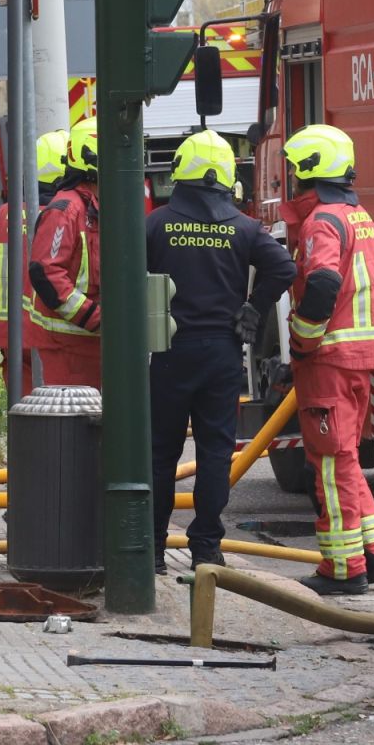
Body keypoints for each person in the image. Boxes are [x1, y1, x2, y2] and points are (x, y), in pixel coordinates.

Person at [146, 130, 295, 573]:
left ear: (181, 174)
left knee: (160, 453)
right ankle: (206, 549)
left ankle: (152, 550)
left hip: (169, 352)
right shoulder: (245, 229)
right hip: (223, 357)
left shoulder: (155, 224)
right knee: (214, 453)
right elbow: (284, 268)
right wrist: (254, 307)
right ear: (228, 178)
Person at [281, 124, 374, 595]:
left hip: (328, 359)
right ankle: (372, 556)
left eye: (293, 170)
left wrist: (302, 338)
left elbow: (323, 283)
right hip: (361, 357)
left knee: (329, 463)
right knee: (345, 459)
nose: (290, 179)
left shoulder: (321, 221)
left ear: (309, 171)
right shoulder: (356, 214)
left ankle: (344, 570)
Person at [25, 117, 103, 388]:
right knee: (74, 428)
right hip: (68, 348)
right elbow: (45, 272)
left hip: (93, 344)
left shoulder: (96, 207)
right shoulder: (66, 210)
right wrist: (95, 318)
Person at [0, 130, 68, 359]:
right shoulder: (72, 217)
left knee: (22, 396)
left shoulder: (1, 216)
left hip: (14, 341)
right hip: (60, 343)